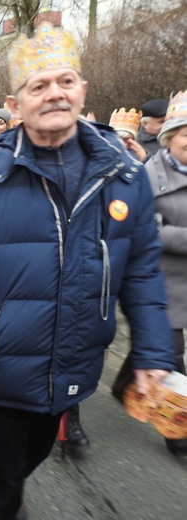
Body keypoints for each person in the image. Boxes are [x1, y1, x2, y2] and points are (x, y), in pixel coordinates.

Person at [0, 23, 176, 520]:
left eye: (65, 81)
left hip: (74, 362)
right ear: (16, 104)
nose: (54, 93)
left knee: (29, 459)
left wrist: (153, 352)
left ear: (82, 90)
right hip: (2, 368)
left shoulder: (125, 177)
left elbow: (143, 274)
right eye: (37, 85)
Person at [113, 90, 187, 457]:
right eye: (186, 134)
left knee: (159, 350)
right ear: (169, 137)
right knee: (173, 353)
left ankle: (135, 369)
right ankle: (178, 433)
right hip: (165, 281)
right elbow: (146, 230)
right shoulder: (148, 176)